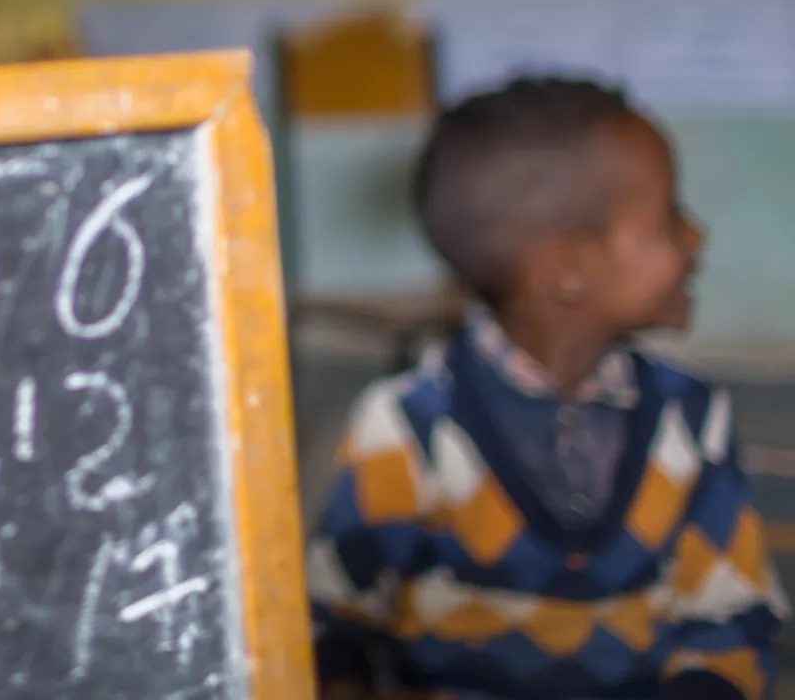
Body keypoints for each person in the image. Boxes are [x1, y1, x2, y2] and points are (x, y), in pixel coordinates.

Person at [306, 77, 787, 700]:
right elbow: (333, 632)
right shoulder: (407, 429)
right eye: (670, 216)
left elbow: (731, 622)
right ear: (567, 269)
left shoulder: (689, 419)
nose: (696, 238)